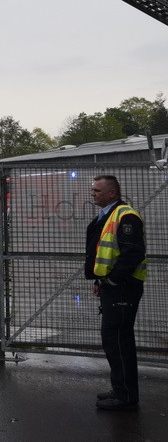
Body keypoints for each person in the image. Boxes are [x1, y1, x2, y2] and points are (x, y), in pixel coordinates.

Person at [86, 175, 147, 411]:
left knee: (119, 340)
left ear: (112, 193)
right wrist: (101, 281)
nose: (93, 193)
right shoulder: (109, 215)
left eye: (97, 190)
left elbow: (132, 253)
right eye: (93, 190)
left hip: (123, 288)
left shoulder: (126, 216)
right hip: (114, 287)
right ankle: (121, 388)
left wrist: (111, 280)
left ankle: (125, 396)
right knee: (115, 340)